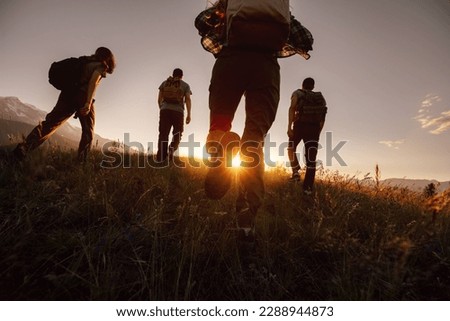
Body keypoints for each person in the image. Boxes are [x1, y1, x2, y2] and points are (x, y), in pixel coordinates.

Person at [13, 47, 116, 162]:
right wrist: (88, 102)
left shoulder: (84, 61)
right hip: (82, 96)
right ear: (108, 58)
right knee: (88, 131)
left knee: (50, 124)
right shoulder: (101, 66)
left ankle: (25, 147)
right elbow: (93, 82)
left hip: (67, 94)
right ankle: (80, 163)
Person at [287, 77, 327, 195]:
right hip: (314, 129)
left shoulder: (298, 93)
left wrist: (289, 127)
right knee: (311, 160)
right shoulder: (320, 98)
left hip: (299, 125)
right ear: (313, 86)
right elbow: (322, 116)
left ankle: (295, 172)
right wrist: (318, 132)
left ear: (302, 84)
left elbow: (292, 108)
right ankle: (307, 189)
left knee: (291, 148)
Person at [156, 68, 192, 163]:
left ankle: (161, 158)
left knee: (163, 134)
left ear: (173, 74)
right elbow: (187, 99)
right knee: (178, 133)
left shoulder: (165, 83)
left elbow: (159, 98)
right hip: (178, 112)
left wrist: (162, 107)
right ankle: (172, 149)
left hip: (165, 110)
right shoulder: (185, 85)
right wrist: (189, 114)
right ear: (181, 76)